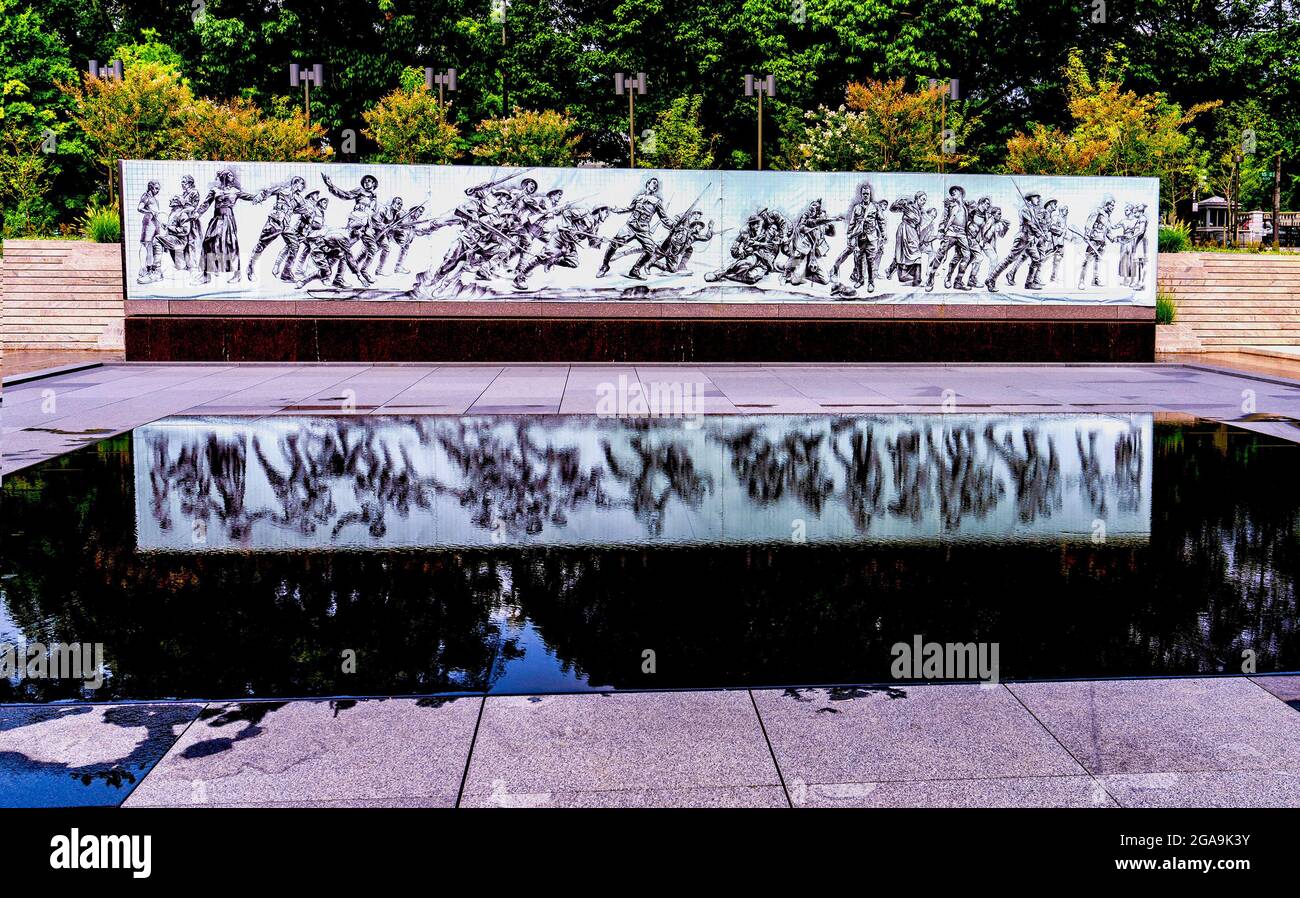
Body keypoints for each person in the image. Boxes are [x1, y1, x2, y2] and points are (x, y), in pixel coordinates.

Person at [596, 177, 677, 280]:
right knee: (613, 243)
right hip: (630, 226)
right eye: (653, 183)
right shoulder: (639, 198)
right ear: (648, 184)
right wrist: (617, 210)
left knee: (650, 249)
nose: (655, 186)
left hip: (643, 230)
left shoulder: (657, 202)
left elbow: (664, 218)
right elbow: (629, 209)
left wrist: (672, 225)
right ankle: (605, 265)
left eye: (656, 185)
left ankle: (635, 270)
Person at [194, 169, 258, 284]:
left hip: (228, 220)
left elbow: (250, 197)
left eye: (232, 175)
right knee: (208, 243)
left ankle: (237, 274)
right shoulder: (215, 190)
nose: (232, 177)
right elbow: (206, 203)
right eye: (229, 175)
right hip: (216, 220)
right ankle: (205, 275)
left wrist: (261, 196)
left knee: (231, 244)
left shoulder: (235, 191)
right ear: (223, 177)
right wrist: (198, 213)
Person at [246, 176, 307, 280]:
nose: (303, 187)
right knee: (261, 245)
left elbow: (304, 210)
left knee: (295, 245)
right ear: (296, 183)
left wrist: (291, 211)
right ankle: (250, 269)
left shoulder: (299, 198)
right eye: (302, 184)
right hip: (274, 222)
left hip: (286, 225)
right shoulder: (282, 190)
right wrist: (259, 197)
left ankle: (286, 272)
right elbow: (267, 192)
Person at [831, 182, 887, 296]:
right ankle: (860, 280)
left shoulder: (875, 207)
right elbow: (852, 222)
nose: (866, 195)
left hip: (871, 238)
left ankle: (871, 282)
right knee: (858, 259)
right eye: (864, 194)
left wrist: (884, 233)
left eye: (867, 193)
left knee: (870, 261)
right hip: (860, 238)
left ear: (870, 194)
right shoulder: (857, 207)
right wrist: (849, 235)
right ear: (861, 195)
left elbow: (881, 221)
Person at [985, 190, 1045, 291]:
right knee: (1009, 259)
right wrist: (1039, 233)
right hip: (1023, 238)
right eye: (1036, 197)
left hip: (1030, 240)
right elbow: (1030, 224)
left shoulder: (1033, 210)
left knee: (1036, 259)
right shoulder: (1025, 209)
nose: (1038, 199)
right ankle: (991, 279)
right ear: (1030, 199)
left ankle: (1029, 283)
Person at [926, 185, 974, 292]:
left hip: (962, 234)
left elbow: (966, 222)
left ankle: (956, 281)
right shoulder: (949, 205)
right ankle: (930, 278)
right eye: (951, 192)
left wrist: (968, 235)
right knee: (940, 255)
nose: (952, 193)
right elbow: (944, 218)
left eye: (955, 191)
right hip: (950, 232)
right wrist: (941, 231)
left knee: (966, 256)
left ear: (961, 192)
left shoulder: (965, 208)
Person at [886, 192, 935, 287]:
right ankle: (917, 280)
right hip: (904, 229)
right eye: (922, 199)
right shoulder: (909, 206)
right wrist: (902, 203)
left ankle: (892, 270)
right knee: (903, 253)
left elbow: (922, 224)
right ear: (917, 198)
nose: (924, 201)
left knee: (915, 253)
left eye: (925, 200)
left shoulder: (921, 211)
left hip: (913, 232)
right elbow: (892, 208)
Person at [136, 180, 162, 284]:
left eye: (158, 189)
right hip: (148, 223)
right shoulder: (146, 196)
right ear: (150, 187)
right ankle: (146, 269)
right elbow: (139, 208)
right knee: (147, 246)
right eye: (156, 188)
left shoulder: (154, 199)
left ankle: (152, 269)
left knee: (154, 246)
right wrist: (150, 211)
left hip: (155, 224)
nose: (157, 190)